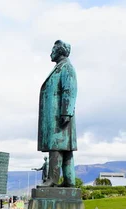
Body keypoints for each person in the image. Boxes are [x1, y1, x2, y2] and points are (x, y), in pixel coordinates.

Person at [38, 40, 78, 187]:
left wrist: (66, 112)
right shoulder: (60, 67)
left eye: (53, 50)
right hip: (58, 115)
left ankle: (52, 180)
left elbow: (69, 89)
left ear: (60, 51)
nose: (50, 53)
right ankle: (69, 181)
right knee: (66, 150)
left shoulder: (66, 68)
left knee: (56, 146)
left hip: (59, 116)